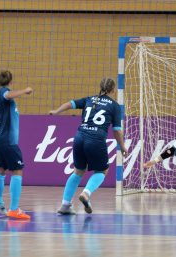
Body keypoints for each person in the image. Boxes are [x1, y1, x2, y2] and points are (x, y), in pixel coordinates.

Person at [49, 78, 128, 214]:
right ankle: (86, 193)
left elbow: (70, 103)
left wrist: (57, 111)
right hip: (96, 139)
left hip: (79, 137)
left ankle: (65, 205)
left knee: (78, 171)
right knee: (102, 171)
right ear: (113, 90)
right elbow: (116, 130)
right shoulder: (115, 106)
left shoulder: (89, 99)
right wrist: (122, 146)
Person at [0, 70, 33, 219]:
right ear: (11, 82)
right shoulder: (4, 93)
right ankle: (14, 209)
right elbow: (7, 94)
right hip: (7, 139)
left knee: (1, 169)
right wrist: (25, 91)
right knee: (17, 170)